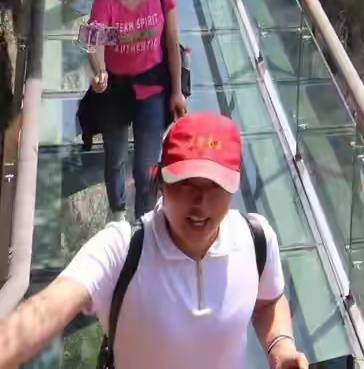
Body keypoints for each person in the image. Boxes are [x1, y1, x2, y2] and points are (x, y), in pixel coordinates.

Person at [0, 113, 308, 369]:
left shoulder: (256, 240)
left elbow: (268, 300)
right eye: (186, 183)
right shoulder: (122, 249)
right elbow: (45, 310)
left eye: (216, 185)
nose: (201, 202)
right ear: (160, 181)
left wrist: (280, 346)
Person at [84, 0, 186, 218]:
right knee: (115, 158)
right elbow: (95, 46)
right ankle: (117, 216)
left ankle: (144, 222)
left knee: (147, 165)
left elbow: (172, 44)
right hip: (115, 90)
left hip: (152, 90)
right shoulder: (104, 3)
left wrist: (177, 91)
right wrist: (99, 72)